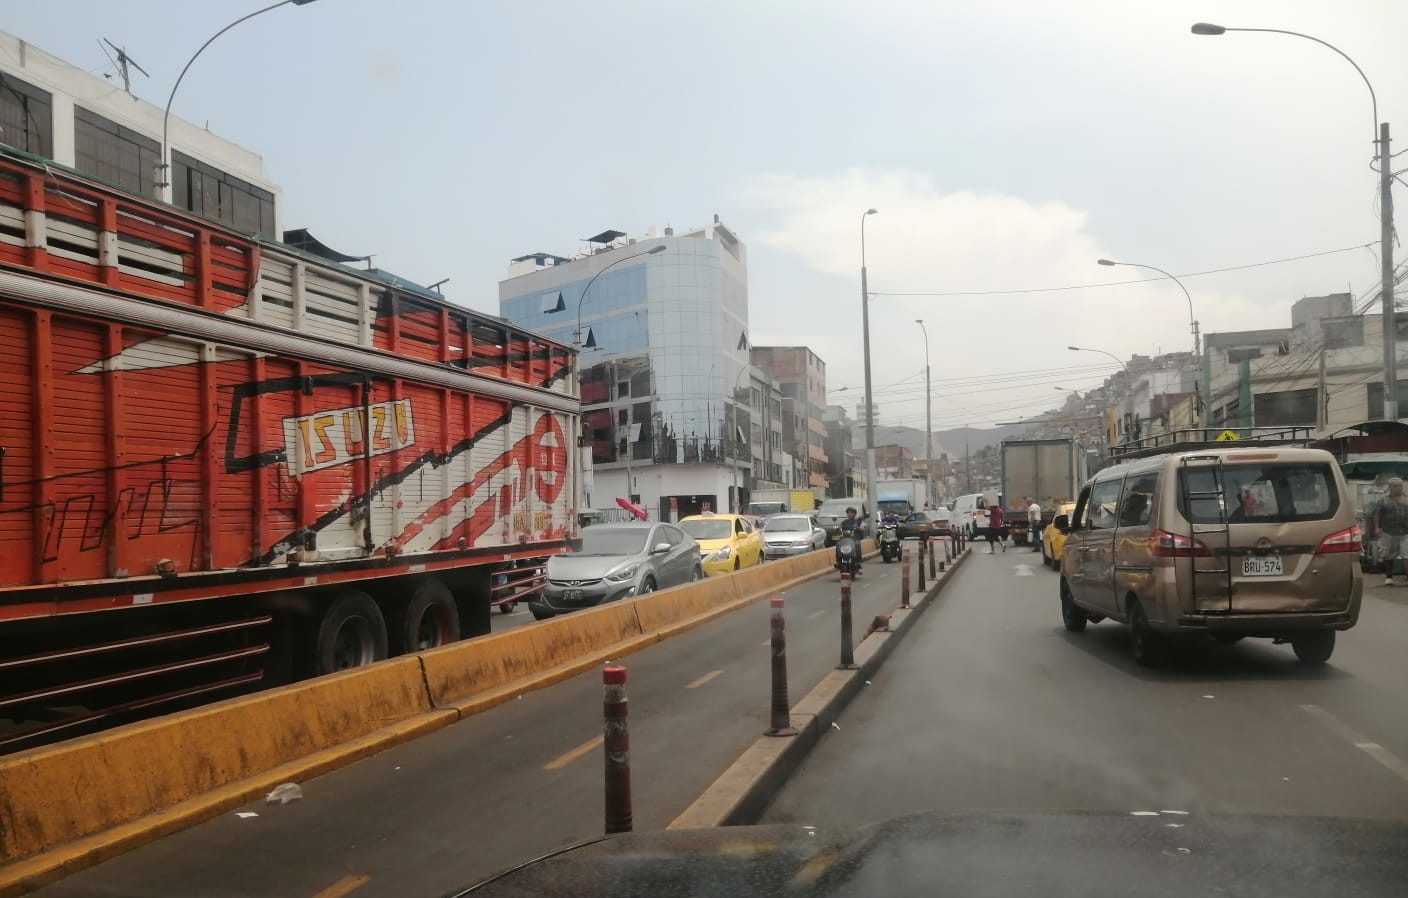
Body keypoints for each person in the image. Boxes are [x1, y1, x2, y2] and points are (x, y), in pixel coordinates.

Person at [1374, 477, 1408, 586]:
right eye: (1395, 486)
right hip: (1388, 531)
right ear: (1390, 487)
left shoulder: (1406, 498)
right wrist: (1377, 527)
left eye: (1400, 485)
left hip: (1405, 531)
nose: (1398, 488)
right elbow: (1377, 514)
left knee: (1406, 554)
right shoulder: (1383, 499)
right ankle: (1389, 577)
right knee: (1388, 554)